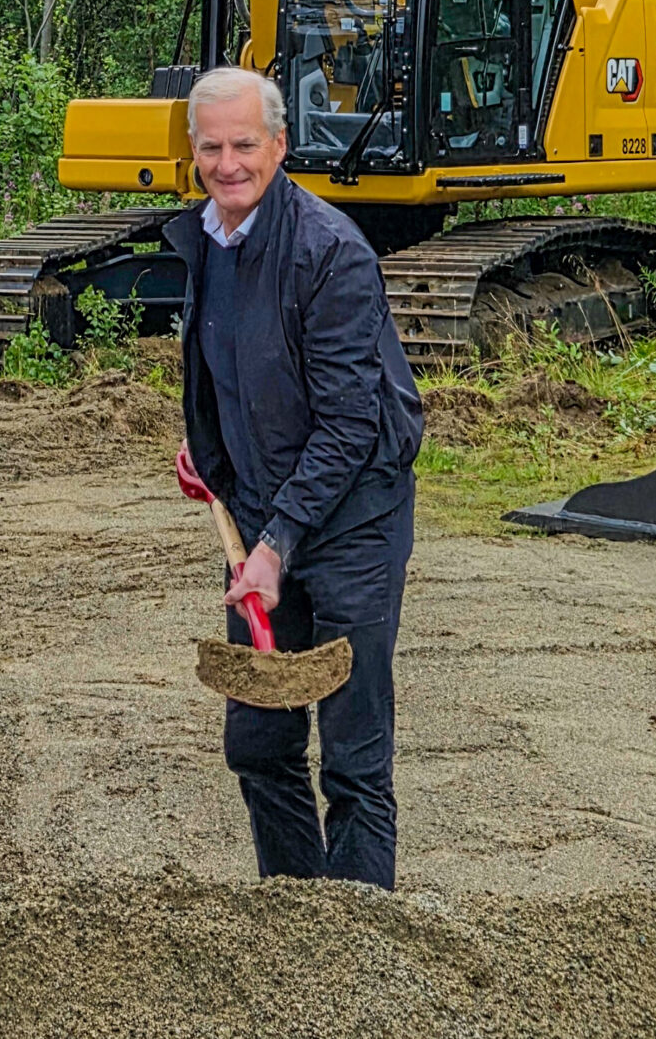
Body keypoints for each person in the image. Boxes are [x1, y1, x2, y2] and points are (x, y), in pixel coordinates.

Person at [164, 67, 423, 889]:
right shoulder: (208, 239)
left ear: (279, 145)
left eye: (246, 144)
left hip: (351, 524)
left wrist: (279, 544)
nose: (229, 162)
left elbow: (352, 423)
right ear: (194, 152)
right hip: (261, 516)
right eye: (213, 146)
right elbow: (231, 371)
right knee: (259, 743)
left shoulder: (330, 253)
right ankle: (297, 921)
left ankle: (361, 944)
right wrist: (210, 457)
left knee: (353, 757)